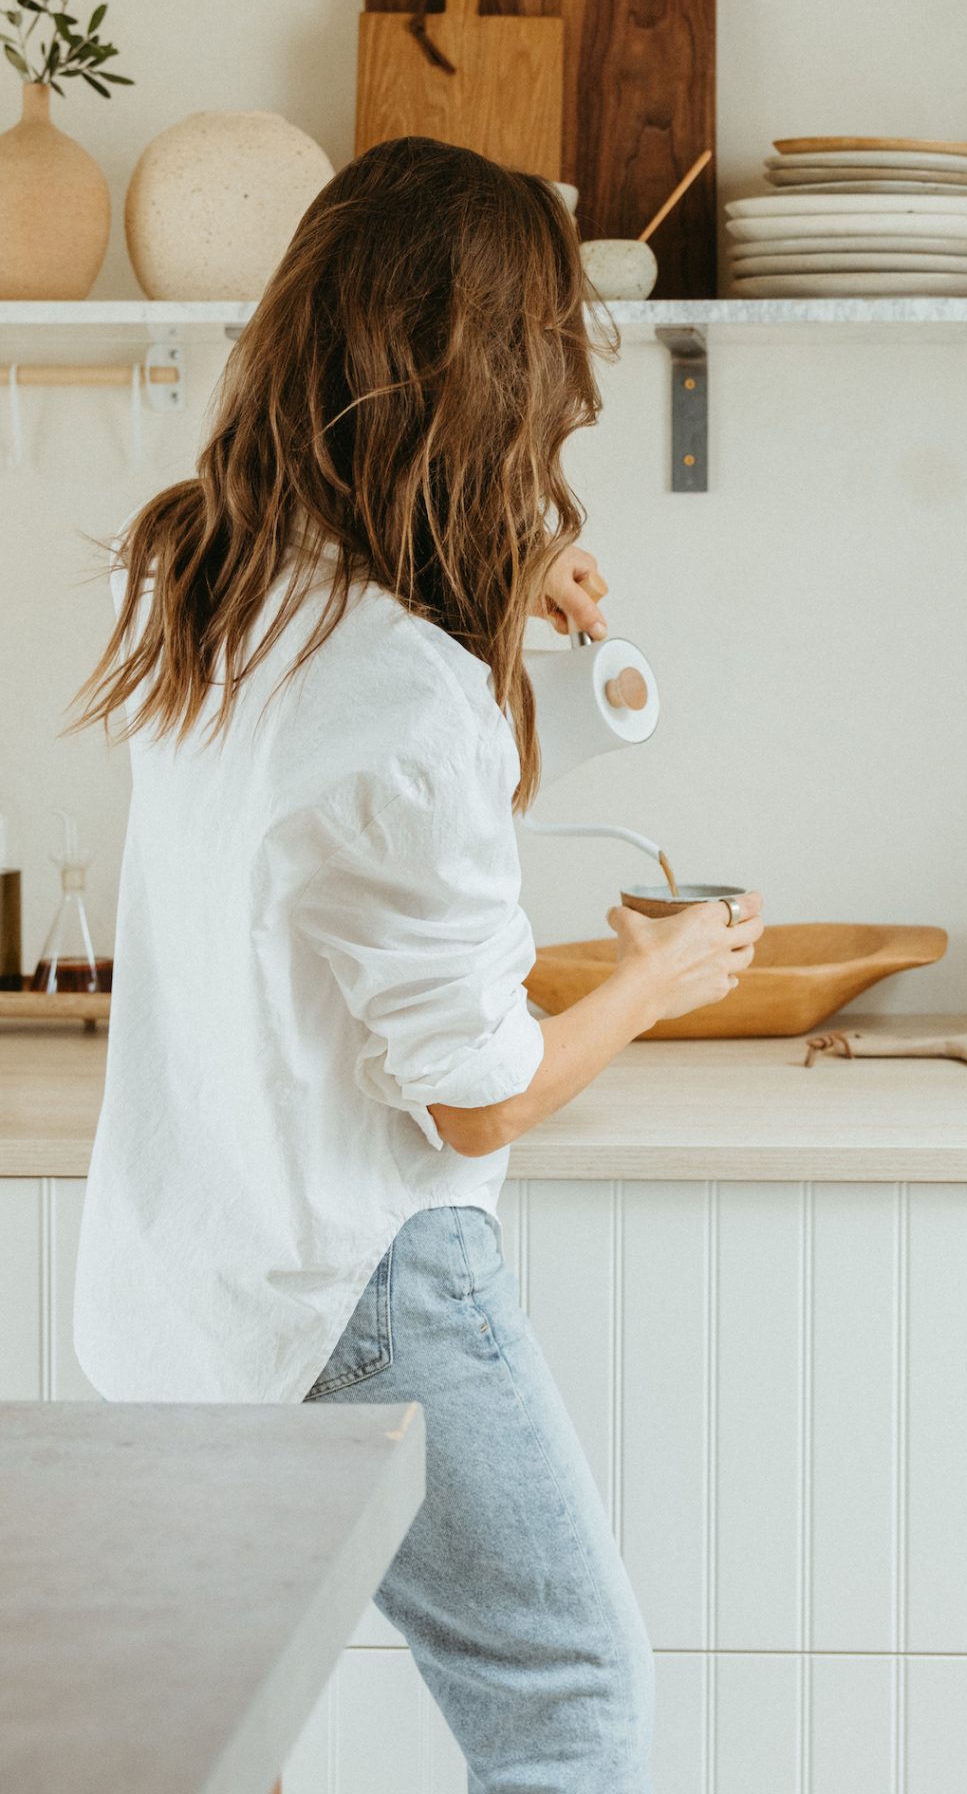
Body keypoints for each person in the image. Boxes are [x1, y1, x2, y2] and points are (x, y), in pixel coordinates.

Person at [72, 136, 760, 1791]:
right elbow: (476, 1099)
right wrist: (656, 984)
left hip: (186, 1278)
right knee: (570, 1692)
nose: (574, 417)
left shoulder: (215, 591)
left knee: (213, 1733)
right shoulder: (409, 690)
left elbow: (356, 833)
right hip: (362, 1289)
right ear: (489, 380)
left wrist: (499, 593)